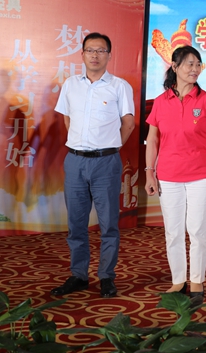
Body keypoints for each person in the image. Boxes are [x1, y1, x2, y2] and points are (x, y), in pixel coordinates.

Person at [51, 33, 135, 298]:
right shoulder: (70, 85)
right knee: (76, 223)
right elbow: (67, 120)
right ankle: (79, 275)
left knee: (108, 224)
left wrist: (111, 146)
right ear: (82, 54)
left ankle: (107, 277)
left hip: (106, 162)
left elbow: (129, 123)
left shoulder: (119, 86)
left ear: (109, 55)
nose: (95, 55)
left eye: (101, 50)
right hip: (75, 161)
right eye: (90, 50)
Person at [144, 46, 206, 301]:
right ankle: (178, 281)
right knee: (173, 231)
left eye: (198, 64)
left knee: (198, 230)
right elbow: (152, 139)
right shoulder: (161, 101)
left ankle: (197, 280)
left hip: (202, 175)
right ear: (175, 66)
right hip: (168, 175)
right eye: (189, 64)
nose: (194, 69)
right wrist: (149, 173)